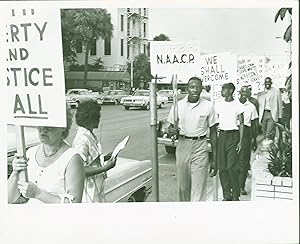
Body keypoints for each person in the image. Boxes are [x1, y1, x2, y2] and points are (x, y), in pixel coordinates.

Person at [8, 107, 85, 204]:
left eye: (49, 125)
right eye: (40, 123)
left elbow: (74, 203)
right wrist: (15, 172)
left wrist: (38, 193)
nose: (43, 129)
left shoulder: (72, 159)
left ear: (63, 126)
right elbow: (8, 198)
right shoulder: (30, 153)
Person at [167, 77, 218, 202]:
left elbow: (213, 132)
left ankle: (197, 215)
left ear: (202, 89)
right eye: (192, 87)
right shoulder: (178, 106)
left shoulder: (208, 106)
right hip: (183, 145)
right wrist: (171, 131)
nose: (195, 90)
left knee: (198, 188)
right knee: (183, 187)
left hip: (200, 146)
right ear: (187, 89)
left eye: (198, 87)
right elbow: (170, 127)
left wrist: (215, 159)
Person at [72, 100, 116, 203]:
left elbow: (90, 158)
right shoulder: (81, 140)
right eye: (98, 117)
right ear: (90, 118)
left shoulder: (89, 134)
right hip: (88, 192)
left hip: (96, 187)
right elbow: (80, 169)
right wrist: (105, 168)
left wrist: (105, 158)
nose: (99, 120)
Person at [215, 82, 244, 201]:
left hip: (233, 136)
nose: (222, 91)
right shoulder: (218, 104)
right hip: (222, 135)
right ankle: (226, 194)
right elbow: (215, 120)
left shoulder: (238, 105)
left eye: (224, 89)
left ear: (231, 91)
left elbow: (241, 123)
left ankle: (235, 193)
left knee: (231, 167)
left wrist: (240, 142)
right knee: (222, 167)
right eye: (222, 89)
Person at [239, 86, 259, 195]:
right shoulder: (234, 105)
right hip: (234, 132)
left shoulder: (251, 107)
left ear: (249, 93)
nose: (244, 94)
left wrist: (254, 140)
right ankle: (234, 186)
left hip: (246, 133)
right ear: (239, 92)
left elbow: (254, 125)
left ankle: (241, 186)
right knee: (233, 162)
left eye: (246, 92)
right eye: (242, 92)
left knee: (244, 162)